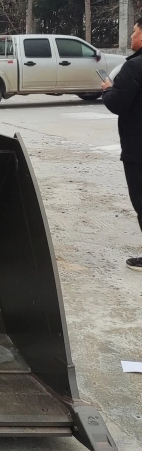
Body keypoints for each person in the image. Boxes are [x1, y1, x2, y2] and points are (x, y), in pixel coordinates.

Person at [101, 17, 142, 271]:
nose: (131, 36)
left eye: (135, 30)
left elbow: (117, 103)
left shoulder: (134, 67)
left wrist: (107, 89)